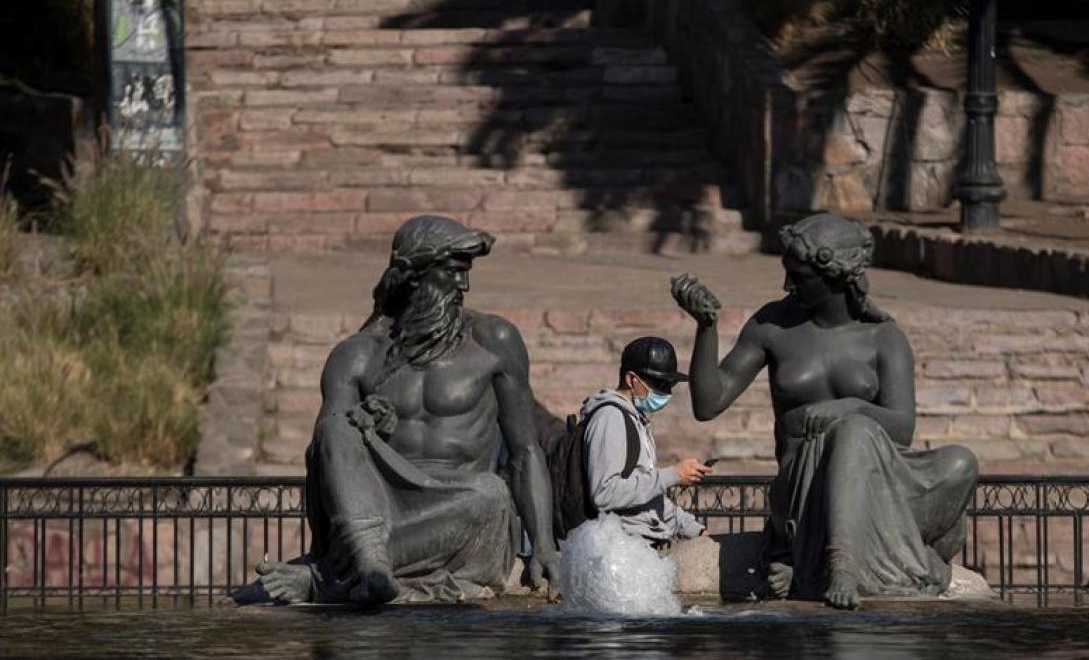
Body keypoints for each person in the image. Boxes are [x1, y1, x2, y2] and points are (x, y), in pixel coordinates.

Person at [670, 214, 979, 609]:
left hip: (872, 483)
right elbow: (708, 404)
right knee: (853, 430)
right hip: (803, 488)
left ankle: (828, 561)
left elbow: (902, 429)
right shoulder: (772, 325)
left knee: (960, 461)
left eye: (798, 276)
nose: (787, 285)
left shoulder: (884, 338)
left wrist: (850, 407)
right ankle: (840, 565)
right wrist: (706, 328)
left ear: (835, 276)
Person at [255, 215, 561, 606]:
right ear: (414, 275)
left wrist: (544, 546)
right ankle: (370, 565)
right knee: (334, 427)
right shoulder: (357, 355)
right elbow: (326, 459)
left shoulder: (493, 341)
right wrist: (365, 427)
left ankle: (330, 578)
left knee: (490, 494)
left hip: (465, 510)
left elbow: (526, 451)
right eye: (452, 272)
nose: (463, 285)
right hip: (383, 515)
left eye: (466, 272)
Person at [579, 336, 710, 547]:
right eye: (660, 384)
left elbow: (644, 495)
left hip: (637, 544)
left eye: (670, 385)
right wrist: (672, 475)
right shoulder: (610, 417)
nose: (667, 392)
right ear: (632, 379)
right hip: (617, 548)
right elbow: (604, 493)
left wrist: (692, 528)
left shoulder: (636, 419)